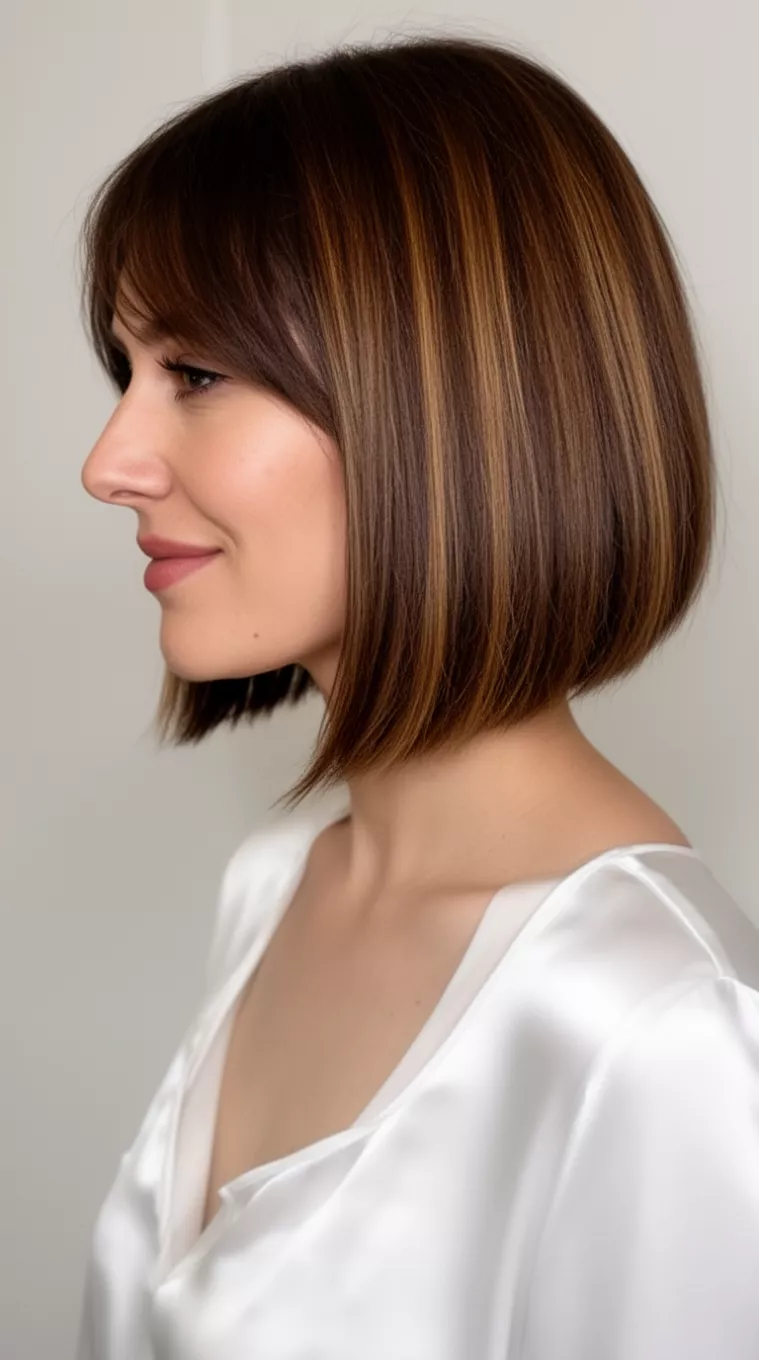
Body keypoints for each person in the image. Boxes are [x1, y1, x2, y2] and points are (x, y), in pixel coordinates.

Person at [73, 33, 759, 1360]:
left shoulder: (653, 1031)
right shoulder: (275, 885)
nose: (111, 462)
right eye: (126, 374)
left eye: (197, 375)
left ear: (443, 402)